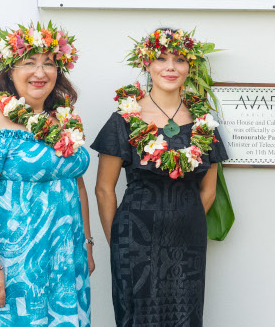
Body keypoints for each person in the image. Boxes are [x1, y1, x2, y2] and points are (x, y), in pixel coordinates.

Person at [91, 28, 228, 327]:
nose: (170, 67)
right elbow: (104, 189)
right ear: (147, 65)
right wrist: (118, 242)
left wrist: (179, 220)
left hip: (188, 239)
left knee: (185, 314)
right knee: (137, 315)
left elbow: (208, 190)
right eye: (161, 58)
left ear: (189, 66)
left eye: (179, 59)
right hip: (133, 239)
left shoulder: (204, 120)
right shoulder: (125, 118)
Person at [0, 22, 94, 326]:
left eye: (49, 63)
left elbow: (78, 186)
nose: (40, 72)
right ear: (9, 70)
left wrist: (86, 245)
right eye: (29, 62)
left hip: (64, 258)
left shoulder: (64, 118)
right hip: (14, 264)